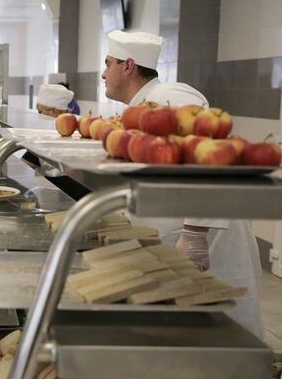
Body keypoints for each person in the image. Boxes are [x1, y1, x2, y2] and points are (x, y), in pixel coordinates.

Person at [101, 30, 263, 338]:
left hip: (207, 235)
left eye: (108, 63)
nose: (103, 73)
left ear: (128, 66)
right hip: (172, 235)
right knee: (187, 334)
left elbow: (210, 157)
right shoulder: (137, 110)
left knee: (225, 327)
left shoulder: (171, 97)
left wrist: (194, 233)